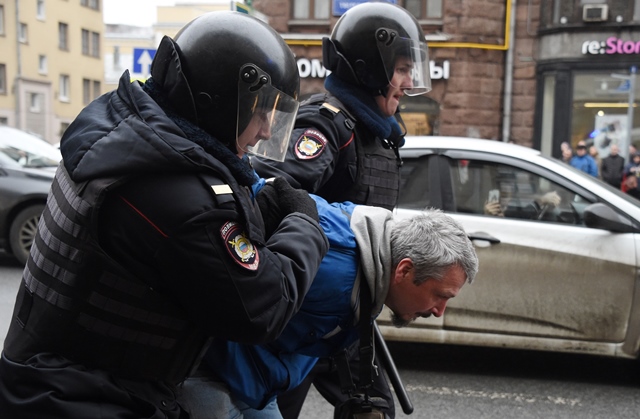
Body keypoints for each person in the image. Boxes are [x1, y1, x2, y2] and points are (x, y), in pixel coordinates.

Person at [0, 12, 330, 419]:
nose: (265, 130)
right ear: (221, 100)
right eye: (260, 111)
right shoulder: (180, 196)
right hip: (85, 400)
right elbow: (262, 309)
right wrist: (305, 224)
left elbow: (163, 247)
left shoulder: (122, 128)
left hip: (46, 381)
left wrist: (253, 209)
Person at [251, 2, 432, 417]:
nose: (407, 82)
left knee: (372, 411)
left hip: (348, 313)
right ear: (371, 67)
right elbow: (275, 196)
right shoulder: (325, 126)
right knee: (272, 407)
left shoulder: (377, 133)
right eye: (401, 69)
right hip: (301, 314)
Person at [179, 198, 478, 418]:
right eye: (441, 295)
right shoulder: (332, 270)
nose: (440, 310)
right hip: (206, 366)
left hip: (253, 382)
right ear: (404, 271)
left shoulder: (373, 256)